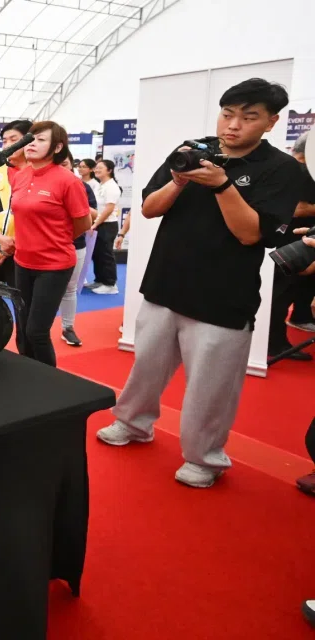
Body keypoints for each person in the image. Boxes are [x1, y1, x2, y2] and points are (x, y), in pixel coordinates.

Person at [96, 78, 303, 489]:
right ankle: (133, 423)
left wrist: (222, 185)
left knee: (211, 387)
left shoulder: (280, 169)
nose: (233, 125)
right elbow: (150, 208)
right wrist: (179, 180)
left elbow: (250, 234)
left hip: (223, 298)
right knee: (145, 370)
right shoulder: (193, 149)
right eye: (228, 114)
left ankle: (205, 457)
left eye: (248, 117)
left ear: (271, 122)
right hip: (165, 284)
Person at [9, 121, 92, 367]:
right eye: (30, 138)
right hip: (22, 262)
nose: (32, 143)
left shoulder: (68, 181)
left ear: (57, 148)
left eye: (40, 139)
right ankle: (28, 375)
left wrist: (55, 239)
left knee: (37, 331)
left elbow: (83, 223)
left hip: (54, 265)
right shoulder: (21, 175)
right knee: (22, 331)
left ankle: (50, 384)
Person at [268, 132, 315, 359]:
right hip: (291, 240)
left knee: (286, 291)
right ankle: (275, 344)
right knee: (281, 293)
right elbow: (297, 208)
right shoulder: (302, 173)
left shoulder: (291, 169)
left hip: (292, 239)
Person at [0, 119, 32, 287]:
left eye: (14, 139)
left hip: (24, 250)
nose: (7, 145)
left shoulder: (39, 173)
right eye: (4, 141)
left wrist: (13, 245)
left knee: (23, 304)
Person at [59, 151, 97, 347]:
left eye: (65, 164)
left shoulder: (81, 186)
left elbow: (94, 214)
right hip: (43, 247)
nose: (61, 167)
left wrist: (75, 198)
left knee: (70, 288)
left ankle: (68, 327)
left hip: (75, 245)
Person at [85, 159, 121, 294]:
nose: (97, 170)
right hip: (99, 223)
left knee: (106, 254)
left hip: (107, 224)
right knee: (97, 254)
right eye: (96, 168)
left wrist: (95, 223)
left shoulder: (112, 186)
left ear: (109, 170)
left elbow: (109, 208)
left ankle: (110, 284)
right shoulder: (101, 185)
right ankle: (100, 280)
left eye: (100, 168)